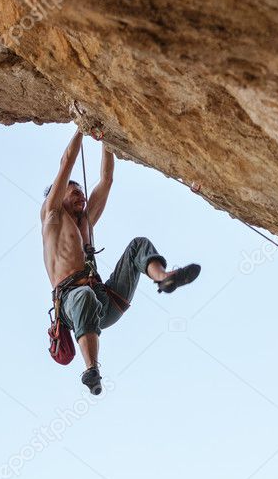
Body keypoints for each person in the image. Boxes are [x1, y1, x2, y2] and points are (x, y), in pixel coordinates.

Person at [41, 126, 200, 393]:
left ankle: (164, 278)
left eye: (82, 192)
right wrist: (81, 127)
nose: (82, 195)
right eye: (74, 192)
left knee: (138, 245)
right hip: (72, 303)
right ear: (58, 196)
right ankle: (92, 369)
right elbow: (67, 161)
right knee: (83, 296)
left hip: (105, 300)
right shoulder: (52, 216)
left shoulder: (85, 223)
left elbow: (106, 180)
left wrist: (106, 138)